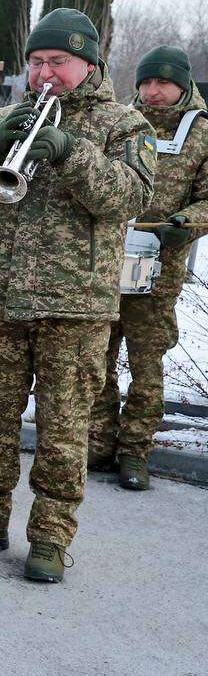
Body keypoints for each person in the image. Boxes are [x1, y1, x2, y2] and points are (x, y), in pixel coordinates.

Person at [0, 8, 155, 582]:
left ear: (89, 63)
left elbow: (130, 198)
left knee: (64, 429)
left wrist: (72, 152)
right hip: (1, 299)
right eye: (36, 62)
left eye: (58, 62)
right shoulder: (5, 116)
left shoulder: (124, 127)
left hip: (75, 307)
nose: (45, 73)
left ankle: (51, 535)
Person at [89, 46, 208, 490]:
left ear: (183, 86)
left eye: (164, 83)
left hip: (159, 267)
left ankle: (135, 452)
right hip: (103, 259)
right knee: (97, 355)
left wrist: (188, 223)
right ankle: (97, 442)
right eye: (147, 82)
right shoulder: (118, 124)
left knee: (146, 360)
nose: (154, 91)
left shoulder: (201, 133)